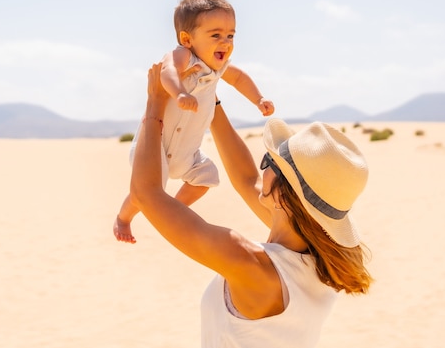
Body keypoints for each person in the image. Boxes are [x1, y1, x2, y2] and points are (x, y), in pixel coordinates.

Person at [127, 62, 373, 347]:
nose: (262, 166)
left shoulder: (250, 264)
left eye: (270, 162)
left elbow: (146, 194)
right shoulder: (317, 254)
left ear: (283, 197)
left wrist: (155, 102)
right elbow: (246, 179)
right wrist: (210, 95)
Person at [115, 0, 274, 243]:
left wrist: (258, 99)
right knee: (142, 192)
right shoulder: (183, 56)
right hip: (156, 145)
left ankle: (175, 209)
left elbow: (240, 78)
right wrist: (178, 92)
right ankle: (123, 219)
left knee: (207, 177)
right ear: (187, 39)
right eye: (215, 35)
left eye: (230, 35)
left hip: (186, 152)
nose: (225, 42)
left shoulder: (217, 68)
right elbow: (166, 72)